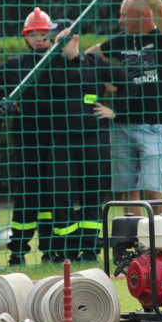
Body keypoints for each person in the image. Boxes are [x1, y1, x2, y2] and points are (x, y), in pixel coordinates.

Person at [87, 0, 162, 212]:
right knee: (127, 190)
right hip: (122, 122)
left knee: (152, 187)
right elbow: (91, 57)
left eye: (124, 14)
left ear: (141, 14)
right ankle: (134, 244)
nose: (120, 20)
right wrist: (115, 84)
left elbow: (158, 6)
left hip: (153, 125)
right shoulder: (120, 40)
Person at [43, 20, 128, 262]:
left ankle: (90, 249)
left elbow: (128, 82)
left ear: (76, 40)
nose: (55, 45)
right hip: (61, 142)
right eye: (53, 41)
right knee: (62, 195)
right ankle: (66, 250)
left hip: (94, 139)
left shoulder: (94, 63)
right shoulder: (48, 65)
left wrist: (116, 110)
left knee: (93, 193)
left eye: (61, 41)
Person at [0, 8, 56, 266]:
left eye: (43, 33)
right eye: (33, 34)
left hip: (56, 142)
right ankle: (18, 253)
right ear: (26, 37)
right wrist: (5, 102)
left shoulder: (60, 61)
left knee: (52, 197)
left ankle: (51, 251)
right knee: (26, 197)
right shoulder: (17, 65)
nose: (38, 38)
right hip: (25, 142)